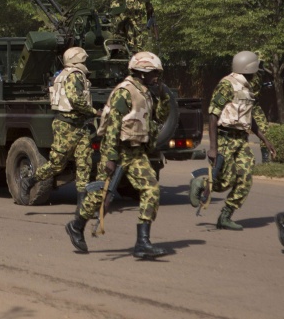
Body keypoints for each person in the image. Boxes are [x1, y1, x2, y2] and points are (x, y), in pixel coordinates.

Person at [66, 51, 170, 258]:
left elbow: (160, 116)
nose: (157, 76)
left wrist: (164, 96)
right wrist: (111, 157)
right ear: (142, 72)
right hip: (117, 149)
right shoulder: (125, 91)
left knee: (151, 190)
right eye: (153, 73)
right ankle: (76, 225)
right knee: (99, 195)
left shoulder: (147, 91)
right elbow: (113, 125)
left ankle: (142, 242)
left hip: (136, 151)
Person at [189, 51, 277, 230]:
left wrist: (264, 139)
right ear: (249, 69)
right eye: (256, 70)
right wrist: (213, 148)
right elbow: (213, 114)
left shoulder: (247, 87)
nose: (257, 73)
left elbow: (248, 117)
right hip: (226, 138)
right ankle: (200, 182)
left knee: (245, 178)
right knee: (224, 181)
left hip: (241, 139)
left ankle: (225, 216)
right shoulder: (226, 85)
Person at [21, 47, 99, 208]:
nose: (85, 62)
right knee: (57, 164)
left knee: (84, 163)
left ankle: (82, 205)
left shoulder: (64, 75)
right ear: (76, 60)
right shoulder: (74, 76)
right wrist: (94, 111)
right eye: (83, 59)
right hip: (66, 126)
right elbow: (75, 100)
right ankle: (31, 180)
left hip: (79, 125)